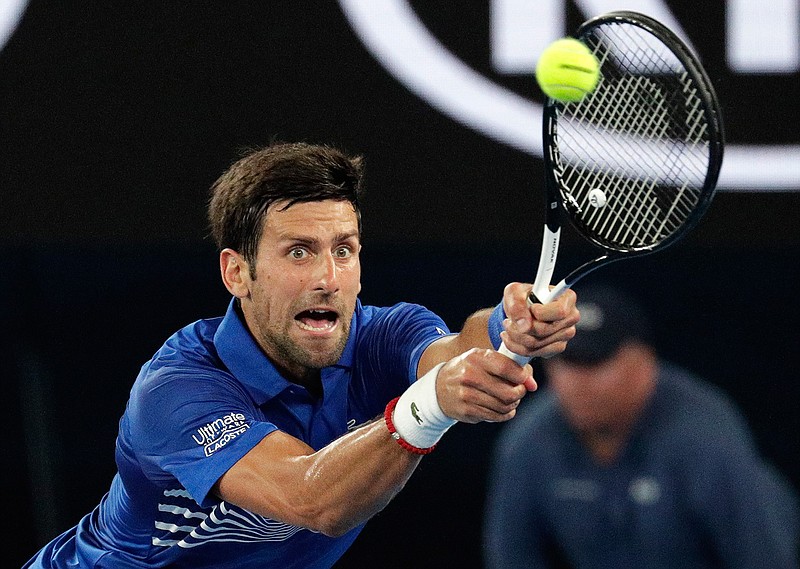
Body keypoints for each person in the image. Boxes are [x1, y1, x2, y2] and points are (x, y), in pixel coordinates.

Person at [23, 141, 579, 569]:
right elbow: (313, 499)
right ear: (237, 272)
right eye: (298, 252)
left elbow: (457, 352)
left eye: (344, 250)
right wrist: (429, 406)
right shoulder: (175, 391)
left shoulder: (383, 334)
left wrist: (514, 326)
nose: (327, 278)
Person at [483, 284, 799, 569]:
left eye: (596, 364)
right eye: (569, 363)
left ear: (644, 361)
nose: (580, 382)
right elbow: (511, 555)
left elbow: (762, 556)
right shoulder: (529, 439)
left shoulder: (705, 433)